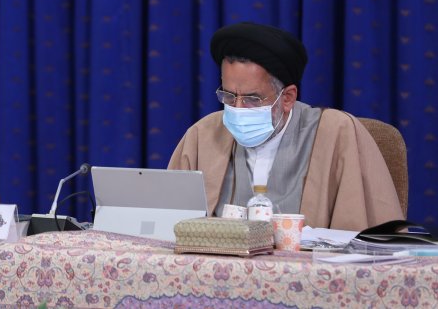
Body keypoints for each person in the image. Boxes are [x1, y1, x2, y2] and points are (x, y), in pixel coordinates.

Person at [168, 22, 404, 230]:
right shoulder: (203, 135)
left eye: (252, 99)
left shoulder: (337, 133)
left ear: (288, 97)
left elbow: (367, 241)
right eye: (229, 96)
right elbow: (166, 229)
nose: (238, 108)